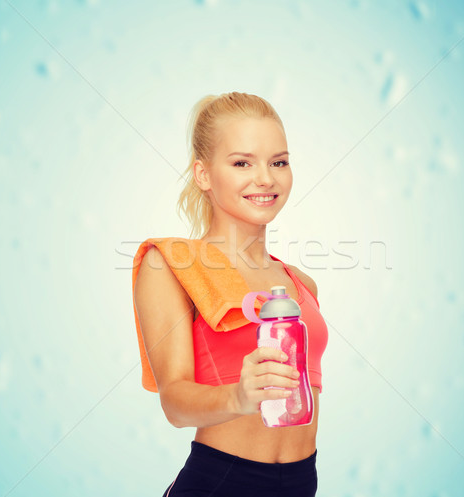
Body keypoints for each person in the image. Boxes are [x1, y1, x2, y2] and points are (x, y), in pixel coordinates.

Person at [132, 91, 329, 497]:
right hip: (222, 482)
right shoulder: (172, 266)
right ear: (203, 174)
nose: (266, 178)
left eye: (279, 162)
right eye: (242, 163)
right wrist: (239, 395)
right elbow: (174, 402)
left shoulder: (300, 285)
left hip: (301, 482)